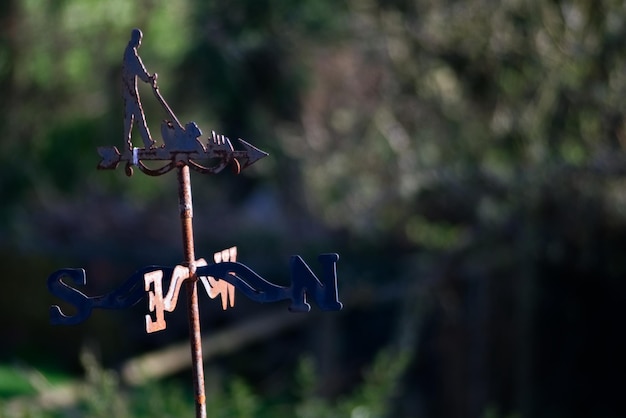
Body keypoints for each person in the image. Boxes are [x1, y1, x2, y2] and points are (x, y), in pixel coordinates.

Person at [122, 28, 156, 150]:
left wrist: (148, 78)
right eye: (139, 39)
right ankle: (136, 143)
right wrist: (149, 79)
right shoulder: (131, 54)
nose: (140, 42)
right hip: (130, 92)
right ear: (135, 39)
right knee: (134, 118)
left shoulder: (129, 52)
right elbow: (140, 70)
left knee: (132, 118)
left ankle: (145, 142)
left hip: (130, 92)